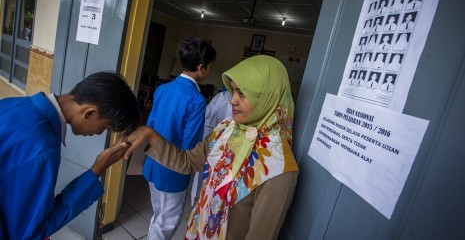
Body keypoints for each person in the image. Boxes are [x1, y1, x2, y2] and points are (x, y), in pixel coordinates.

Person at [123, 55, 299, 239]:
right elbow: (188, 161)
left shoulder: (278, 167)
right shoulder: (227, 130)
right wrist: (149, 135)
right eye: (233, 91)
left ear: (268, 98)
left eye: (243, 94)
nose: (233, 100)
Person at [0, 71, 140, 239]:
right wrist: (98, 168)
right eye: (105, 127)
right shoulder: (43, 149)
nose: (99, 133)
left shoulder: (12, 104)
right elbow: (30, 232)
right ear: (89, 113)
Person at [142, 37, 216, 240]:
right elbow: (190, 145)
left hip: (154, 162)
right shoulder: (197, 100)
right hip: (173, 170)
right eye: (210, 66)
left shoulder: (162, 89)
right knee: (169, 221)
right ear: (201, 67)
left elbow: (150, 126)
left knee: (158, 214)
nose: (209, 70)